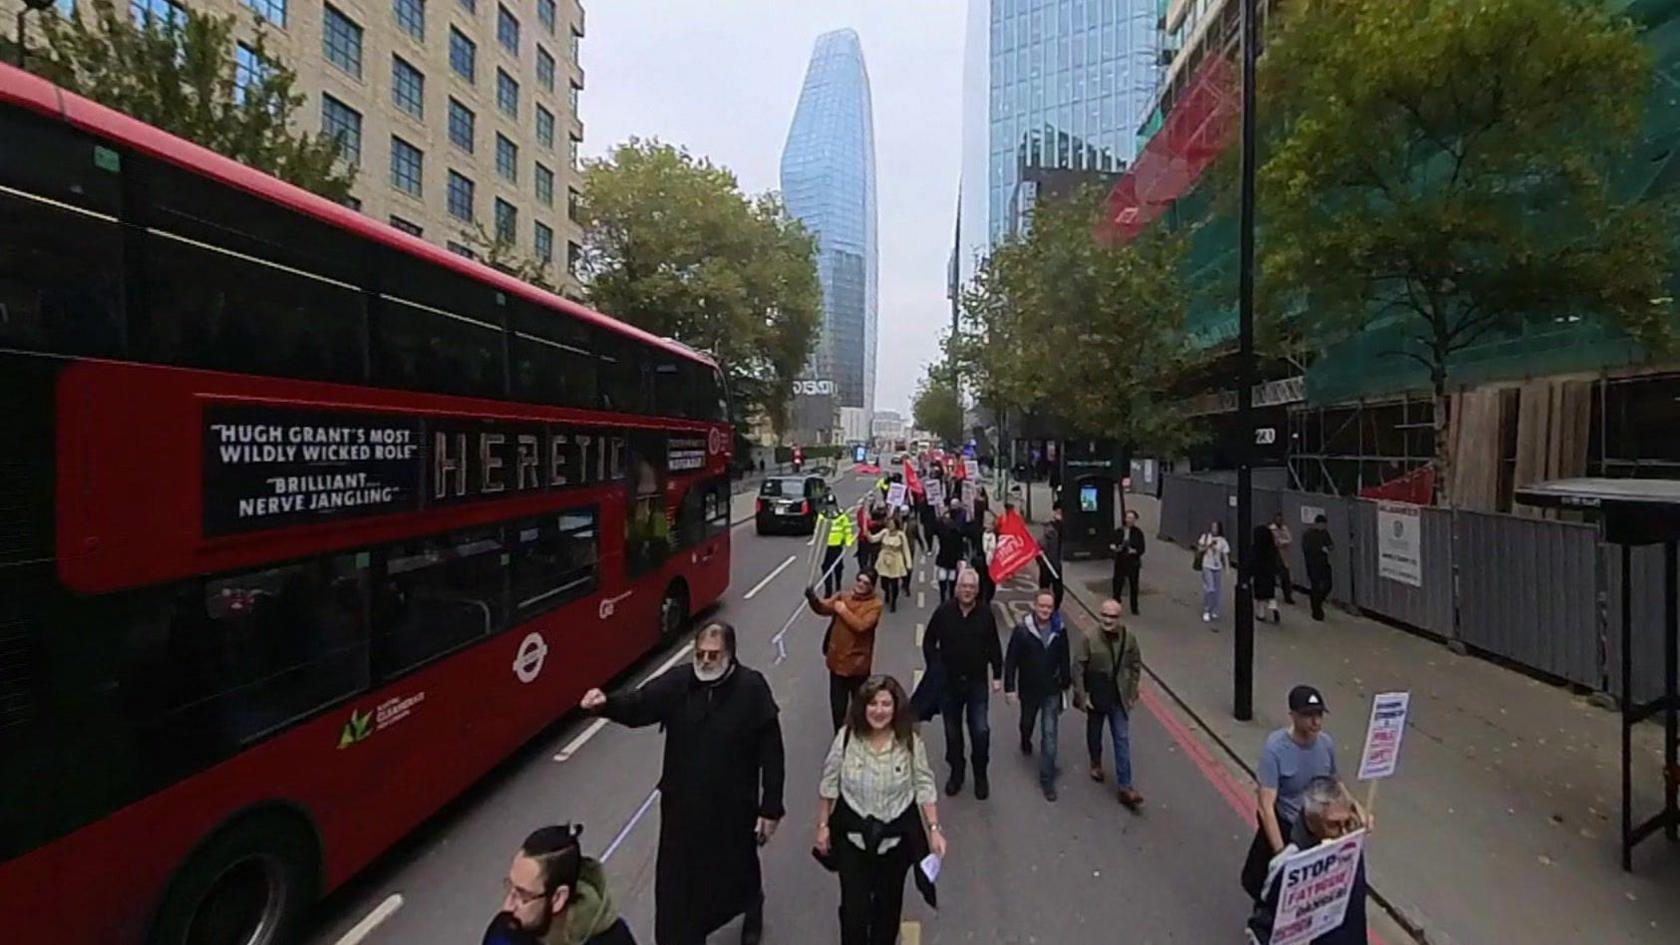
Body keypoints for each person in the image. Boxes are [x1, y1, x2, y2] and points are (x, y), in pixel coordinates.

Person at [580, 623, 784, 945]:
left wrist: (770, 807)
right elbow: (640, 704)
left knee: (737, 867)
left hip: (731, 809)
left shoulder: (752, 689)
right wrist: (605, 704)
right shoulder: (678, 683)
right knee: (677, 890)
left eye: (713, 655)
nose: (705, 661)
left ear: (730, 655)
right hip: (682, 812)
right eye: (699, 654)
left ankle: (751, 905)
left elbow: (772, 752)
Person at [816, 676, 947, 945]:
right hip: (854, 843)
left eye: (886, 704)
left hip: (893, 845)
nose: (879, 710)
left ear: (896, 707)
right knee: (854, 914)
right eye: (873, 703)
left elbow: (924, 784)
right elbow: (829, 784)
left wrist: (934, 829)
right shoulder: (846, 739)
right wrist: (822, 826)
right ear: (862, 707)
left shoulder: (909, 742)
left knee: (886, 916)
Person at [1240, 685, 1343, 902]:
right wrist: (1281, 853)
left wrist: (1358, 811)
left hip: (1316, 828)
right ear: (1293, 716)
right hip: (1287, 827)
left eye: (1319, 714)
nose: (1316, 722)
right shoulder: (1275, 749)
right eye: (1308, 715)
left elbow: (1336, 784)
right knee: (1266, 887)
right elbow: (1266, 807)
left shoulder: (1326, 744)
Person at [1246, 777, 1369, 945]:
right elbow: (1267, 922)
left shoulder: (1352, 852)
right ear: (1312, 823)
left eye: (1347, 822)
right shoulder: (1287, 866)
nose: (1343, 832)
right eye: (1333, 825)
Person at [921, 567, 1004, 799]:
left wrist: (997, 675)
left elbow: (994, 646)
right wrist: (935, 666)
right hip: (949, 683)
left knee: (980, 730)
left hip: (977, 682)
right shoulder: (944, 612)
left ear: (977, 591)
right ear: (957, 589)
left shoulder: (986, 614)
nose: (967, 591)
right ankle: (957, 772)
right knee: (952, 732)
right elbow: (929, 642)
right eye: (964, 587)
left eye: (972, 588)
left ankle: (980, 774)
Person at [492, 824, 637, 945]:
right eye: (510, 886)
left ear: (558, 898)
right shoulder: (510, 927)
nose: (508, 906)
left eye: (523, 896)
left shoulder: (612, 940)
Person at [1072, 598, 1144, 809]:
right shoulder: (1089, 638)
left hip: (1118, 696)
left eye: (1112, 616)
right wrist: (1082, 695)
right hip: (1097, 694)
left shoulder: (1129, 638)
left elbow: (1136, 664)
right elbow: (1078, 667)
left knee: (1121, 738)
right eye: (1104, 615)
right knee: (1095, 731)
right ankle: (1095, 761)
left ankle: (1125, 786)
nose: (1107, 620)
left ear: (1119, 618)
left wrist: (1132, 692)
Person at [1003, 590, 1072, 801]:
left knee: (1049, 735)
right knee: (1027, 722)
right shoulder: (1022, 631)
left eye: (1049, 607)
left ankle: (1047, 779)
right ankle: (1025, 738)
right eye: (1042, 606)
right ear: (1034, 606)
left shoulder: (1060, 631)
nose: (1045, 610)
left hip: (1051, 690)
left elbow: (1064, 658)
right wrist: (1009, 688)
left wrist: (1066, 683)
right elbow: (1011, 660)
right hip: (1029, 690)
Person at [808, 570, 885, 730]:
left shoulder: (875, 605)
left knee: (859, 706)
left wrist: (843, 611)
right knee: (838, 707)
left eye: (866, 583)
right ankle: (840, 737)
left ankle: (858, 736)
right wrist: (812, 599)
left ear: (871, 586)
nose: (861, 585)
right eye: (859, 580)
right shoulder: (843, 596)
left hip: (858, 665)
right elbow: (823, 608)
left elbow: (862, 626)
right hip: (837, 663)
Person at [1110, 509, 1147, 616]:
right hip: (1121, 561)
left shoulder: (1138, 533)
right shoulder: (1119, 531)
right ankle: (1115, 604)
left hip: (1132, 562)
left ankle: (1134, 607)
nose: (1129, 520)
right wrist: (1114, 547)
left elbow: (1142, 548)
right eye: (1128, 518)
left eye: (1132, 518)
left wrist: (1135, 551)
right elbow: (1112, 542)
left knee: (1134, 585)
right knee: (1117, 583)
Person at [873, 513, 912, 613]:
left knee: (894, 583)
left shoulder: (901, 535)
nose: (890, 525)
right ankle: (886, 592)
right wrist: (866, 533)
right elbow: (874, 539)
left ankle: (893, 602)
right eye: (889, 523)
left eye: (892, 524)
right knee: (884, 582)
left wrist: (908, 563)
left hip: (896, 560)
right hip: (884, 560)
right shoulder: (885, 532)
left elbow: (906, 549)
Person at [821, 497, 857, 598]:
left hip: (837, 545)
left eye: (832, 505)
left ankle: (838, 586)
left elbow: (846, 528)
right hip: (826, 546)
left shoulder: (841, 516)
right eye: (828, 505)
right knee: (825, 568)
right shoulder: (823, 515)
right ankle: (828, 590)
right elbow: (819, 529)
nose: (830, 507)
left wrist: (848, 541)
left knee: (838, 567)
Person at [1197, 521, 1231, 624]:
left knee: (1217, 590)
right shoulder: (1206, 537)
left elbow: (1225, 555)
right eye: (1212, 527)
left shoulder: (1222, 541)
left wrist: (1227, 568)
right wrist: (1208, 546)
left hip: (1217, 567)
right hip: (1207, 565)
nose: (1213, 529)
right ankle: (1206, 610)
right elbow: (1199, 549)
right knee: (1210, 588)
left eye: (1215, 527)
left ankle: (1214, 610)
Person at [1303, 514, 1335, 621]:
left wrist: (1329, 548)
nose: (1324, 527)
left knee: (1328, 585)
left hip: (1324, 563)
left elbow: (1330, 544)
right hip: (1313, 565)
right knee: (1315, 587)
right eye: (1322, 524)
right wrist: (1321, 549)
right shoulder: (1308, 534)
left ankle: (1319, 603)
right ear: (1317, 524)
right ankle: (1316, 611)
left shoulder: (1325, 533)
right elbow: (1307, 549)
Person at [932, 508, 967, 604]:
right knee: (952, 581)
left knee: (942, 580)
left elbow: (935, 528)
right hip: (953, 562)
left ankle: (943, 599)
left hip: (943, 561)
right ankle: (951, 598)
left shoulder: (942, 534)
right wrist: (960, 559)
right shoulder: (958, 534)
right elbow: (960, 548)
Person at [1252, 524, 1282, 624]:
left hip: (1259, 573)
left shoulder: (1255, 548)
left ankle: (1261, 614)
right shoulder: (1272, 548)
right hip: (1270, 574)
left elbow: (1252, 561)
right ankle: (1274, 607)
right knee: (1270, 594)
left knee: (1260, 596)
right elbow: (1276, 561)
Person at [1037, 503, 1064, 611]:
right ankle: (1044, 606)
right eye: (1057, 512)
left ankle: (1053, 609)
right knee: (1044, 588)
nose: (1059, 514)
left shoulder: (1062, 527)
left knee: (1058, 591)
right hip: (1047, 564)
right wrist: (1040, 559)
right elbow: (1041, 544)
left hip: (1056, 564)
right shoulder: (1050, 529)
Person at [1269, 512, 1296, 605]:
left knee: (1285, 576)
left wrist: (1281, 542)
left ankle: (1288, 596)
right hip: (1274, 554)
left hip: (1283, 555)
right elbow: (1273, 541)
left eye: (1280, 519)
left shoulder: (1285, 529)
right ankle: (1269, 593)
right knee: (1271, 575)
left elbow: (1289, 539)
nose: (1279, 521)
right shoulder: (1271, 529)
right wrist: (1281, 542)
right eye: (1277, 519)